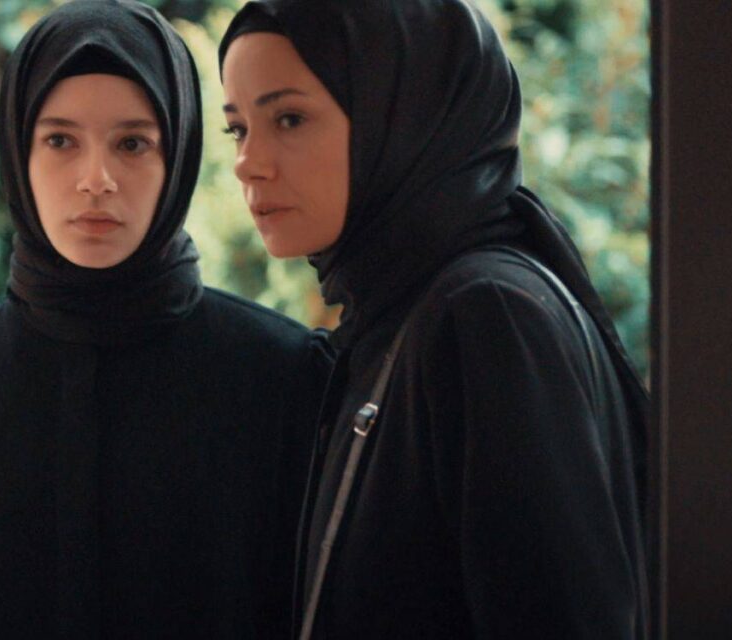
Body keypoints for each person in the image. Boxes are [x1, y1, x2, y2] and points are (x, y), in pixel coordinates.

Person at [0, 1, 332, 637]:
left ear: (178, 153)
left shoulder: (287, 382)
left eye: (132, 143)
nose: (95, 180)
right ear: (18, 150)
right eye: (60, 141)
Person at [219, 0, 650, 637]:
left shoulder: (484, 313)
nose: (248, 161)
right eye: (237, 129)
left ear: (403, 117)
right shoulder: (397, 311)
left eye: (289, 118)